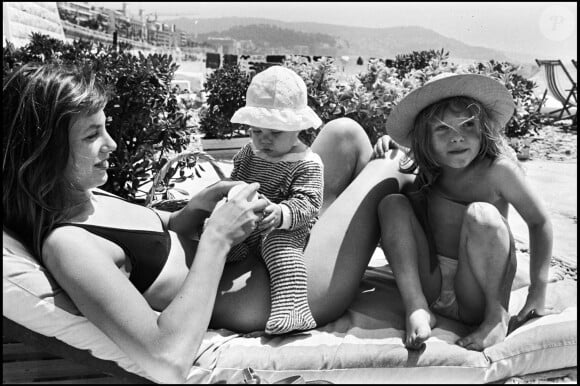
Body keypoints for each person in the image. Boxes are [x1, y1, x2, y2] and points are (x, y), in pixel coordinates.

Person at [3, 62, 413, 383]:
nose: (111, 145)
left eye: (105, 128)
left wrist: (196, 208)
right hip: (279, 288)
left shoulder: (88, 194)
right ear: (46, 150)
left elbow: (158, 235)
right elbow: (166, 360)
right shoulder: (69, 245)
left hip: (250, 250)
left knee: (345, 134)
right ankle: (446, 274)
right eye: (93, 135)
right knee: (389, 171)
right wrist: (217, 237)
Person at [374, 73, 554, 351]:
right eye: (443, 129)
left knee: (482, 214)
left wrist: (537, 290)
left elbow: (539, 221)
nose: (457, 138)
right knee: (392, 204)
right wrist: (390, 144)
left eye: (468, 125)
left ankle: (496, 319)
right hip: (431, 285)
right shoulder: (431, 167)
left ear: (483, 129)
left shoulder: (498, 170)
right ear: (425, 139)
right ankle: (416, 307)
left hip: (477, 290)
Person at [225, 65, 323, 335]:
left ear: (297, 129)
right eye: (257, 132)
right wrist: (232, 197)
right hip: (250, 218)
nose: (264, 139)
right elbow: (237, 179)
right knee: (218, 227)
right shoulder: (249, 153)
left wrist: (281, 213)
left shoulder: (306, 163)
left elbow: (309, 203)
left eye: (275, 133)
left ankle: (293, 309)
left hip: (284, 226)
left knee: (280, 248)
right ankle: (233, 252)